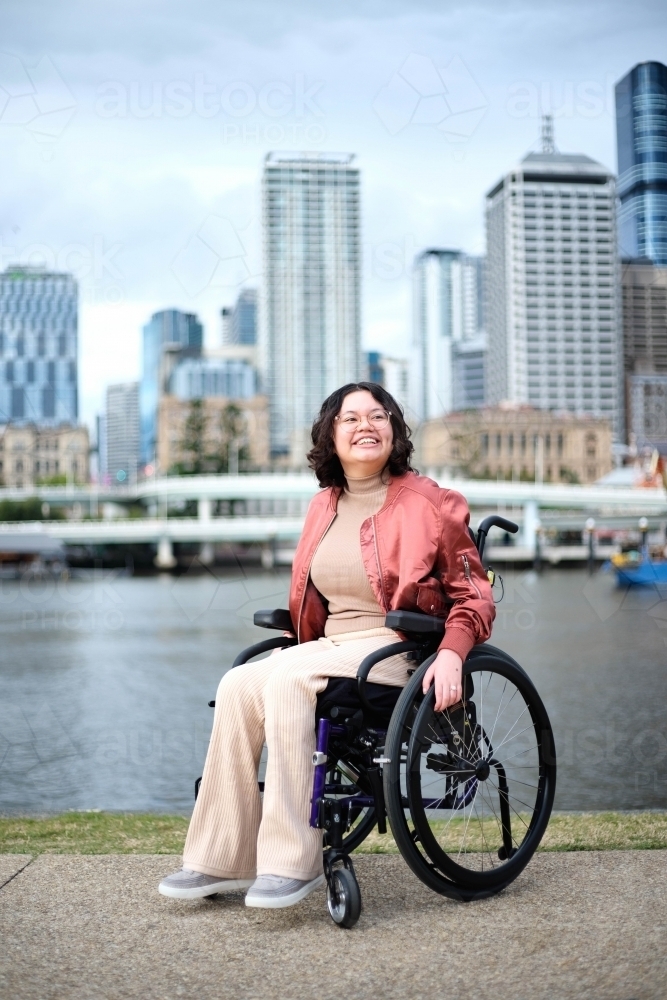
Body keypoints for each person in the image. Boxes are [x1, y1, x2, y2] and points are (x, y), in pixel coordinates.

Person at [159, 382, 494, 909]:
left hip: (398, 648)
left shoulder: (431, 502)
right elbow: (312, 600)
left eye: (378, 416)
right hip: (331, 647)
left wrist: (453, 651)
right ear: (330, 437)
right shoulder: (324, 505)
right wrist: (296, 644)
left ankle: (294, 863)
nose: (366, 425)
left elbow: (473, 594)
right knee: (239, 682)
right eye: (350, 418)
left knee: (290, 677)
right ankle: (220, 857)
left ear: (395, 430)